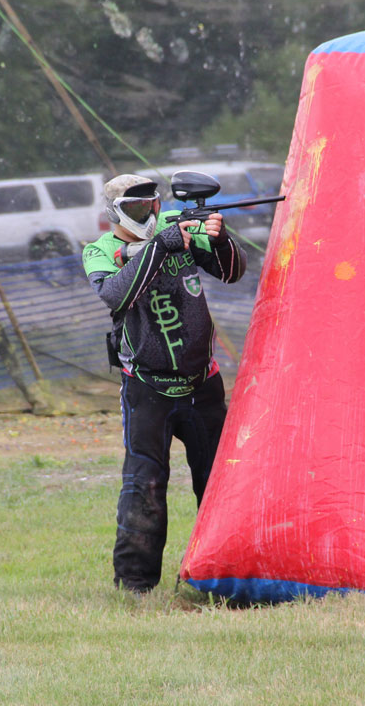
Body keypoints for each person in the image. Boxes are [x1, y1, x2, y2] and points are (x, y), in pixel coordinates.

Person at [82, 173, 247, 593]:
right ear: (115, 213)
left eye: (152, 205)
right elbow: (117, 295)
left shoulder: (178, 226)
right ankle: (136, 584)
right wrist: (160, 246)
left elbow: (231, 272)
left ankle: (225, 574)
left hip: (202, 383)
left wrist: (219, 239)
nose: (149, 214)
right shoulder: (99, 250)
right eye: (137, 209)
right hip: (146, 388)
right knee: (145, 485)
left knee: (219, 481)